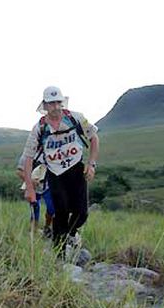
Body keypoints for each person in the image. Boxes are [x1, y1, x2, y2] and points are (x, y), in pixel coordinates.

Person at [22, 86, 99, 257]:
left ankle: (71, 234)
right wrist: (29, 187)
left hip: (77, 169)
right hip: (55, 174)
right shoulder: (39, 128)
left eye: (58, 102)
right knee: (61, 212)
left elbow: (94, 137)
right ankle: (59, 254)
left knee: (81, 213)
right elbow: (28, 158)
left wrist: (91, 164)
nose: (56, 107)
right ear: (45, 105)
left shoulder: (76, 118)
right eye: (51, 103)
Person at [16, 154, 55, 237]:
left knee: (51, 209)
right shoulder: (27, 155)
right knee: (34, 209)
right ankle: (34, 230)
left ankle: (47, 228)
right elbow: (19, 171)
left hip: (47, 186)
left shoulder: (50, 151)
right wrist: (30, 181)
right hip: (33, 188)